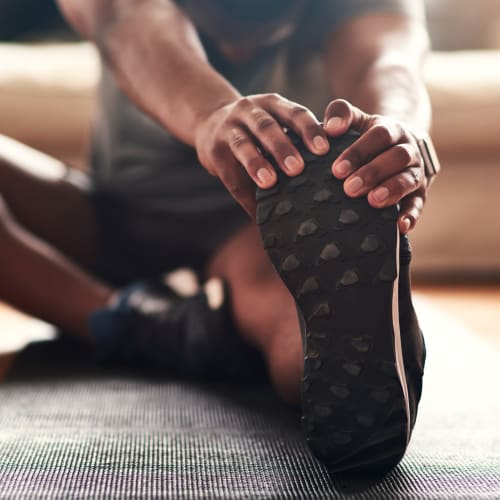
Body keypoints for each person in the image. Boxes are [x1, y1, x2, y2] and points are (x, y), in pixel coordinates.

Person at [0, 0, 438, 474]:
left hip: (257, 229)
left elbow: (386, 60)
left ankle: (375, 344)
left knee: (312, 327)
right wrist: (213, 113)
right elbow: (127, 18)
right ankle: (139, 323)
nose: (236, 49)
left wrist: (396, 133)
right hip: (104, 218)